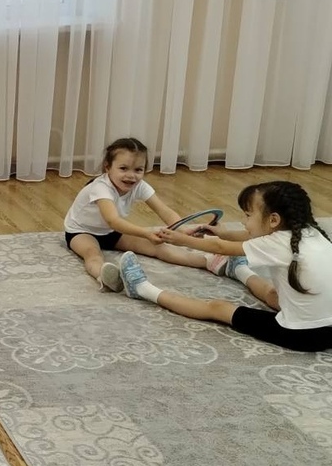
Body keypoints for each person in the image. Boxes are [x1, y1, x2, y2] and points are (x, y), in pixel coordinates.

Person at [119, 181, 332, 352]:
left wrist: (180, 239)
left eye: (248, 215)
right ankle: (239, 270)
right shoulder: (309, 232)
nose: (244, 222)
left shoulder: (276, 243)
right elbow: (243, 238)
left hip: (302, 335)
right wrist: (223, 233)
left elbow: (220, 248)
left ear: (274, 220)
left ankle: (143, 289)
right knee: (272, 295)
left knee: (218, 308)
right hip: (329, 329)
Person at [64, 137, 226, 292]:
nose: (131, 175)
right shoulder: (100, 188)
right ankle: (104, 277)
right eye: (123, 168)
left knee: (158, 248)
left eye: (138, 170)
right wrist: (146, 233)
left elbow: (164, 210)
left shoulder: (140, 186)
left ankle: (208, 262)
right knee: (92, 254)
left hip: (112, 232)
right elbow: (113, 220)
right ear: (107, 167)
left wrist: (182, 228)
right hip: (82, 232)